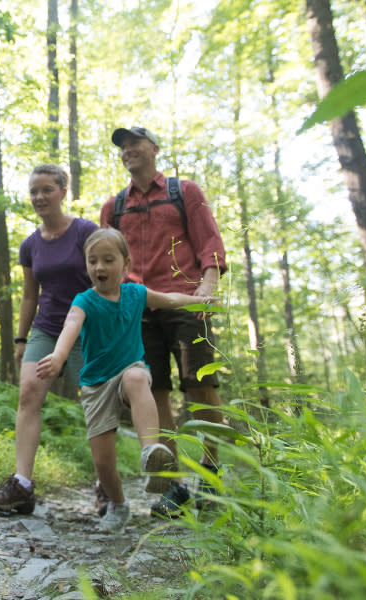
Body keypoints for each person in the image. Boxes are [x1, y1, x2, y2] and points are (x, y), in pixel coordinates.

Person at [36, 228, 213, 532]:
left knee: (136, 377)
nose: (100, 267)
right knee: (103, 462)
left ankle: (151, 452)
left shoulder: (136, 293)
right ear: (86, 266)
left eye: (108, 260)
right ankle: (119, 505)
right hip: (95, 385)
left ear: (125, 264)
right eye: (93, 261)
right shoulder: (84, 301)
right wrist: (59, 355)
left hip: (129, 370)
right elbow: (71, 325)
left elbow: (169, 299)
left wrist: (199, 301)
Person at [100, 126, 228, 518]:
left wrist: (207, 288)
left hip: (185, 300)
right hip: (137, 308)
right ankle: (174, 485)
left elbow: (210, 243)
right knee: (154, 393)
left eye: (135, 143)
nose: (128, 150)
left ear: (154, 149)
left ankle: (211, 474)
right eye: (123, 146)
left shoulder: (183, 191)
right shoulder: (114, 206)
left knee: (200, 386)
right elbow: (105, 260)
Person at [0, 165, 99, 515]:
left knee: (94, 402)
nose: (39, 197)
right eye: (34, 191)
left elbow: (105, 277)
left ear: (63, 191)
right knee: (28, 394)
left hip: (87, 327)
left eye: (46, 189)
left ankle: (105, 486)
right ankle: (23, 485)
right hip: (46, 327)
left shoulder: (85, 232)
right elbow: (30, 294)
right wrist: (20, 338)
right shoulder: (30, 245)